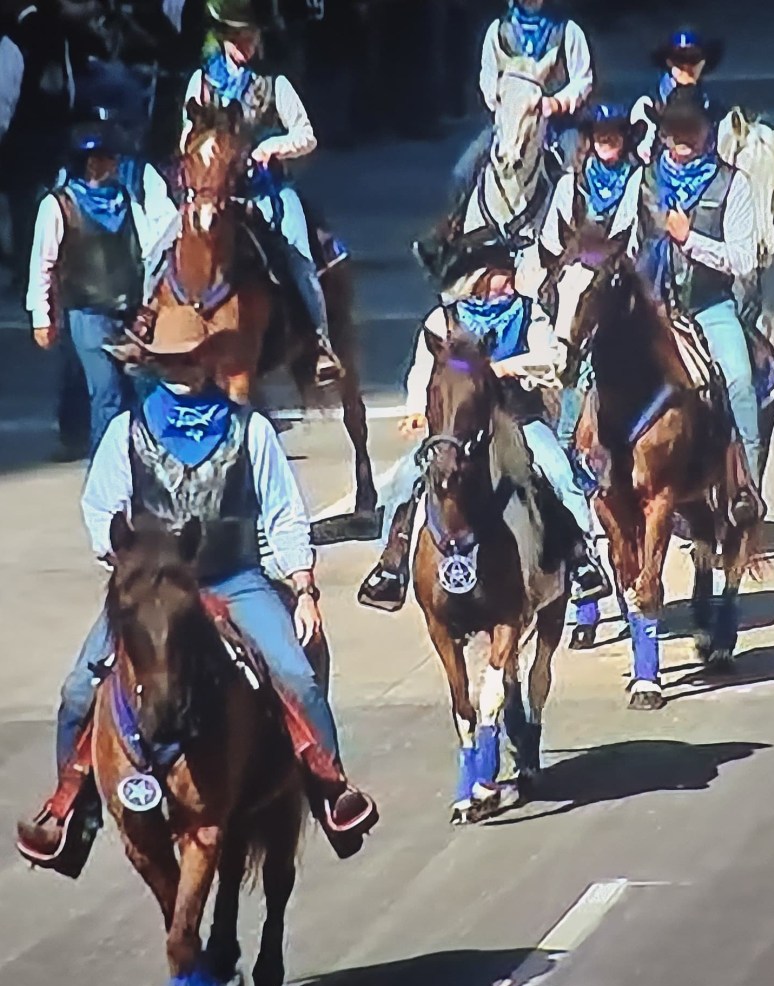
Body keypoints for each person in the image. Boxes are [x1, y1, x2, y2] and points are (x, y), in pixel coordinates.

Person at [15, 321, 378, 877]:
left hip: (234, 578)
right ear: (153, 363)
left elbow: (283, 512)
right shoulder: (126, 431)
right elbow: (100, 509)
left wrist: (303, 588)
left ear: (211, 359)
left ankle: (331, 791)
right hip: (152, 589)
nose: (181, 367)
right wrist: (128, 569)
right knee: (76, 690)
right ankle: (71, 811)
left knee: (297, 676)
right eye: (170, 359)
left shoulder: (249, 429)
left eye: (192, 357)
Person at [358, 240, 610, 612]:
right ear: (478, 279)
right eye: (501, 278)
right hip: (458, 426)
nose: (509, 285)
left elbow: (551, 359)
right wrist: (416, 409)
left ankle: (582, 560)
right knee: (403, 483)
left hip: (517, 417)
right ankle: (391, 566)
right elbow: (424, 370)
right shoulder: (443, 320)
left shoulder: (529, 313)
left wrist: (510, 367)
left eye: (510, 278)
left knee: (559, 475)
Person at [177, 0, 340, 385]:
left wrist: (273, 147)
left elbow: (307, 135)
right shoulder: (201, 82)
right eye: (237, 37)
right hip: (213, 193)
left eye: (250, 36)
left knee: (300, 257)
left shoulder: (274, 83)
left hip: (267, 191)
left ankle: (320, 342)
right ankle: (151, 321)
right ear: (223, 38)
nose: (245, 44)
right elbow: (186, 137)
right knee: (163, 245)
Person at [639, 84, 764, 526]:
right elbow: (624, 235)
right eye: (674, 129)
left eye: (691, 128)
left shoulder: (733, 184)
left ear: (708, 130)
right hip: (652, 304)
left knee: (740, 380)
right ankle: (593, 471)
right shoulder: (646, 179)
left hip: (709, 304)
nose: (682, 137)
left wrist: (689, 240)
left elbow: (744, 260)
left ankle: (746, 487)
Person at [48, 104, 179, 463]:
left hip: (132, 301)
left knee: (132, 388)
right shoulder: (65, 191)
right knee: (95, 384)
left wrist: (149, 286)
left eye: (108, 153)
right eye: (98, 155)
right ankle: (95, 460)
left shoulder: (138, 178)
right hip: (83, 303)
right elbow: (49, 247)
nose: (104, 161)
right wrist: (43, 309)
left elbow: (165, 227)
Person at [540, 101, 646, 451]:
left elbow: (630, 240)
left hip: (618, 282)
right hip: (571, 278)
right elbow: (551, 240)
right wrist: (565, 263)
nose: (606, 139)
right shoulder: (571, 183)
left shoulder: (637, 181)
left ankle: (569, 438)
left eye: (614, 133)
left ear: (625, 138)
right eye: (600, 133)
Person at [0, 1, 77, 293]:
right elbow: (69, 86)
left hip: (23, 136)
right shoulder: (59, 35)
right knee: (51, 203)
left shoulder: (14, 40)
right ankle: (52, 274)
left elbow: (5, 95)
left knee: (22, 209)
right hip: (55, 133)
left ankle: (24, 273)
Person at [478, 0, 593, 168]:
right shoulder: (499, 31)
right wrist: (503, 104)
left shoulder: (568, 30)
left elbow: (583, 79)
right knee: (463, 173)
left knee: (573, 163)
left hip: (557, 125)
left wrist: (557, 103)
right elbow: (488, 76)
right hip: (510, 122)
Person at [629, 28, 723, 163]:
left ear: (703, 62)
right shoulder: (647, 105)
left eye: (694, 59)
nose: (686, 67)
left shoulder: (713, 105)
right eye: (680, 59)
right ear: (669, 61)